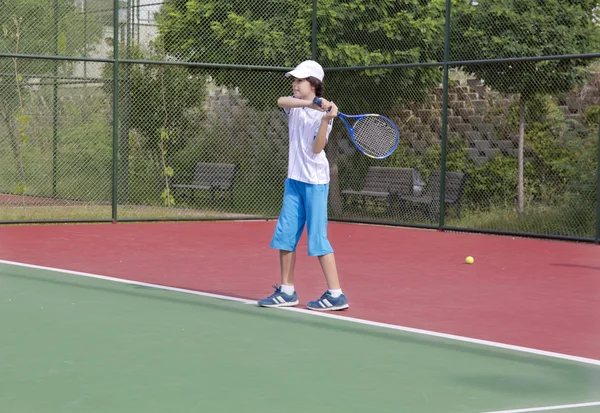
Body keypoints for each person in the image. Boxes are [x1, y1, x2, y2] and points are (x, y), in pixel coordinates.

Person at [257, 60, 349, 311]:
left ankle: (336, 294)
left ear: (314, 84)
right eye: (294, 80)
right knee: (285, 236)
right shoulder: (296, 104)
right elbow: (281, 101)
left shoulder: (324, 115)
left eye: (299, 81)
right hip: (294, 181)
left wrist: (324, 119)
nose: (294, 84)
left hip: (316, 183)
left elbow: (317, 148)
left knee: (317, 238)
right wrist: (311, 103)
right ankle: (287, 292)